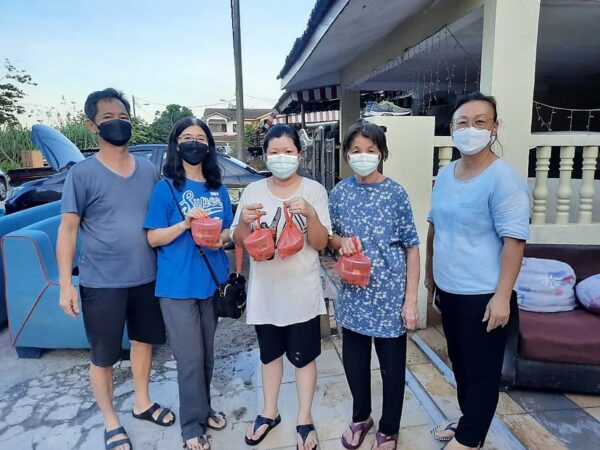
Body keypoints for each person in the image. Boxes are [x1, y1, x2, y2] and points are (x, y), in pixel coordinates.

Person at [57, 88, 175, 450]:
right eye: (108, 118)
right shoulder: (82, 174)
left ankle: (142, 402)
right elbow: (68, 229)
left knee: (143, 343)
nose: (117, 123)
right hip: (101, 282)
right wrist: (66, 284)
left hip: (147, 277)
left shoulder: (149, 170)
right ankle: (110, 420)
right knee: (104, 356)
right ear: (92, 125)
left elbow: (162, 218)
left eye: (123, 117)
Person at [426, 92, 530, 450]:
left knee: (481, 371)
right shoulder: (446, 173)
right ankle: (470, 420)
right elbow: (435, 226)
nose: (470, 129)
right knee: (460, 363)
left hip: (484, 294)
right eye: (463, 123)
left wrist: (502, 297)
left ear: (494, 127)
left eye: (480, 122)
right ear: (452, 129)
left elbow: (514, 242)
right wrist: (430, 277)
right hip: (450, 289)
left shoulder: (504, 179)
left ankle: (470, 439)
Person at [230, 124, 331, 450]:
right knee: (270, 356)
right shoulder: (253, 191)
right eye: (274, 152)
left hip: (302, 293)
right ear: (265, 155)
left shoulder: (314, 190)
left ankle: (304, 417)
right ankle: (269, 412)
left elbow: (321, 243)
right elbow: (238, 239)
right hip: (266, 293)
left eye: (288, 151)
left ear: (299, 155)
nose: (281, 158)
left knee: (304, 359)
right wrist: (244, 222)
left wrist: (311, 215)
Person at [328, 121, 420, 450]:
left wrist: (410, 301)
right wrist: (340, 242)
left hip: (390, 298)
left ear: (381, 153)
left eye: (371, 150)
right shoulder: (339, 193)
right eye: (356, 150)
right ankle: (361, 417)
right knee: (355, 364)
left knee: (392, 369)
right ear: (346, 155)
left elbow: (412, 247)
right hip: (353, 294)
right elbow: (330, 238)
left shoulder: (396, 193)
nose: (363, 156)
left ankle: (390, 428)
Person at [144, 117, 231, 450]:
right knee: (190, 358)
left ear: (209, 146)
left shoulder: (217, 187)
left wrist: (222, 238)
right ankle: (191, 426)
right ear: (176, 144)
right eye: (187, 137)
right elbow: (153, 238)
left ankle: (204, 409)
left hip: (210, 282)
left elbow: (227, 229)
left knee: (207, 355)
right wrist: (184, 224)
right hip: (177, 287)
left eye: (201, 138)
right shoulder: (166, 188)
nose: (195, 143)